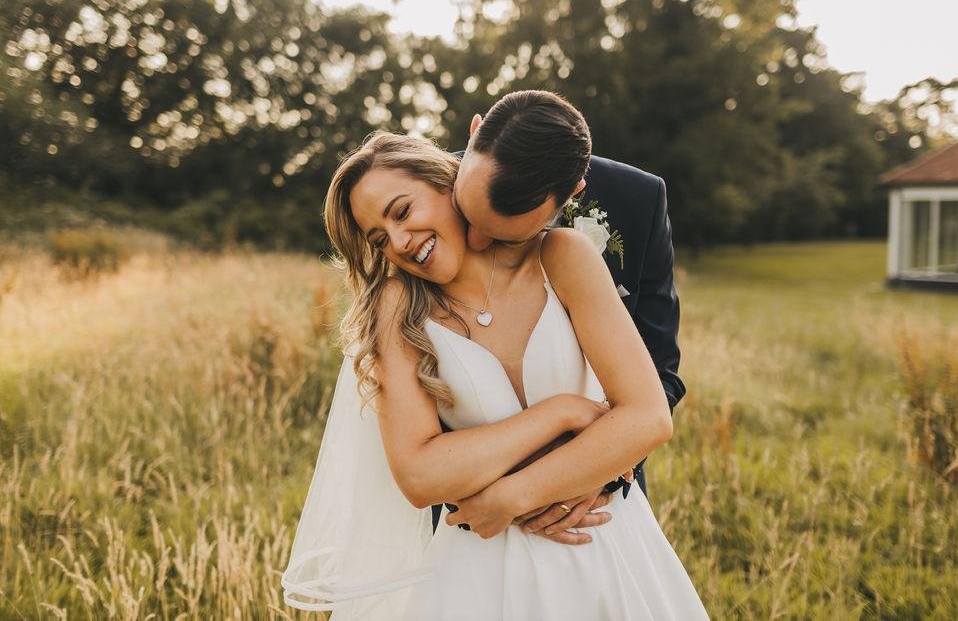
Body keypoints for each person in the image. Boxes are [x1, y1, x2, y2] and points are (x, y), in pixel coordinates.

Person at [282, 129, 706, 619]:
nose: (398, 241)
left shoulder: (562, 257)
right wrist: (561, 412)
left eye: (403, 211)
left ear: (448, 183)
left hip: (601, 537)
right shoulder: (395, 307)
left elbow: (650, 418)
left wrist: (509, 497)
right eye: (379, 238)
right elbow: (419, 475)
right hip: (479, 564)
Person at [447, 90, 685, 543]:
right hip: (469, 504)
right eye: (465, 215)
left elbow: (661, 371)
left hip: (593, 508)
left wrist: (594, 467)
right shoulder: (420, 189)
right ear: (475, 130)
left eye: (505, 238)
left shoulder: (638, 200)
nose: (473, 243)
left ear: (574, 192)